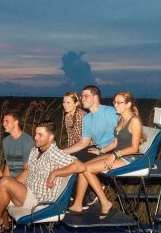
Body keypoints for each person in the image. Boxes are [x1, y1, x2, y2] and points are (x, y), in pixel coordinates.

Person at [0, 120, 77, 233]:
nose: (35, 137)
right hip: (27, 193)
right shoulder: (35, 151)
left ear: (51, 137)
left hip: (40, 201)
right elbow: (28, 172)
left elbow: (79, 166)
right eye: (35, 134)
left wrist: (54, 173)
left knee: (4, 182)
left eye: (40, 135)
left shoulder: (55, 153)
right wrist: (10, 185)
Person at [62, 90, 144, 219]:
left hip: (130, 158)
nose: (115, 105)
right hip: (118, 154)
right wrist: (102, 151)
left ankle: (105, 203)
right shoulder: (121, 119)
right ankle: (78, 204)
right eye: (114, 102)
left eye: (119, 103)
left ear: (128, 104)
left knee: (88, 170)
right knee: (82, 166)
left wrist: (115, 155)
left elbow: (134, 148)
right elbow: (116, 142)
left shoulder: (134, 121)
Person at [62, 85, 118, 207]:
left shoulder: (109, 111)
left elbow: (120, 136)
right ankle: (72, 197)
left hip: (112, 149)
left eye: (86, 96)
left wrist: (103, 150)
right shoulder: (87, 118)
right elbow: (84, 142)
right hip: (97, 149)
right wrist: (63, 152)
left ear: (96, 97)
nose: (83, 99)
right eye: (82, 96)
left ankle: (87, 198)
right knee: (67, 159)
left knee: (79, 165)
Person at [0, 110, 35, 233]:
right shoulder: (6, 141)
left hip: (25, 182)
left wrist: (9, 184)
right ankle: (5, 227)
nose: (3, 124)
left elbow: (28, 170)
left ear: (16, 122)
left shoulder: (27, 142)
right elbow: (7, 166)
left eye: (6, 121)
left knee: (4, 188)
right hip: (10, 180)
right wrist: (2, 183)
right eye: (2, 121)